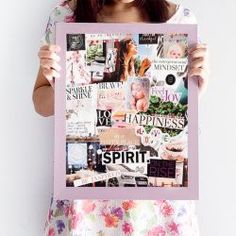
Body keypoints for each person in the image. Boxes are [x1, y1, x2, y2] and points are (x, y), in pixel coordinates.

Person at [32, 0, 209, 235]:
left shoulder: (178, 21)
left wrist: (200, 84)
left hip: (158, 205)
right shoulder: (65, 17)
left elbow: (178, 112)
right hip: (87, 201)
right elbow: (41, 103)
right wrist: (61, 85)